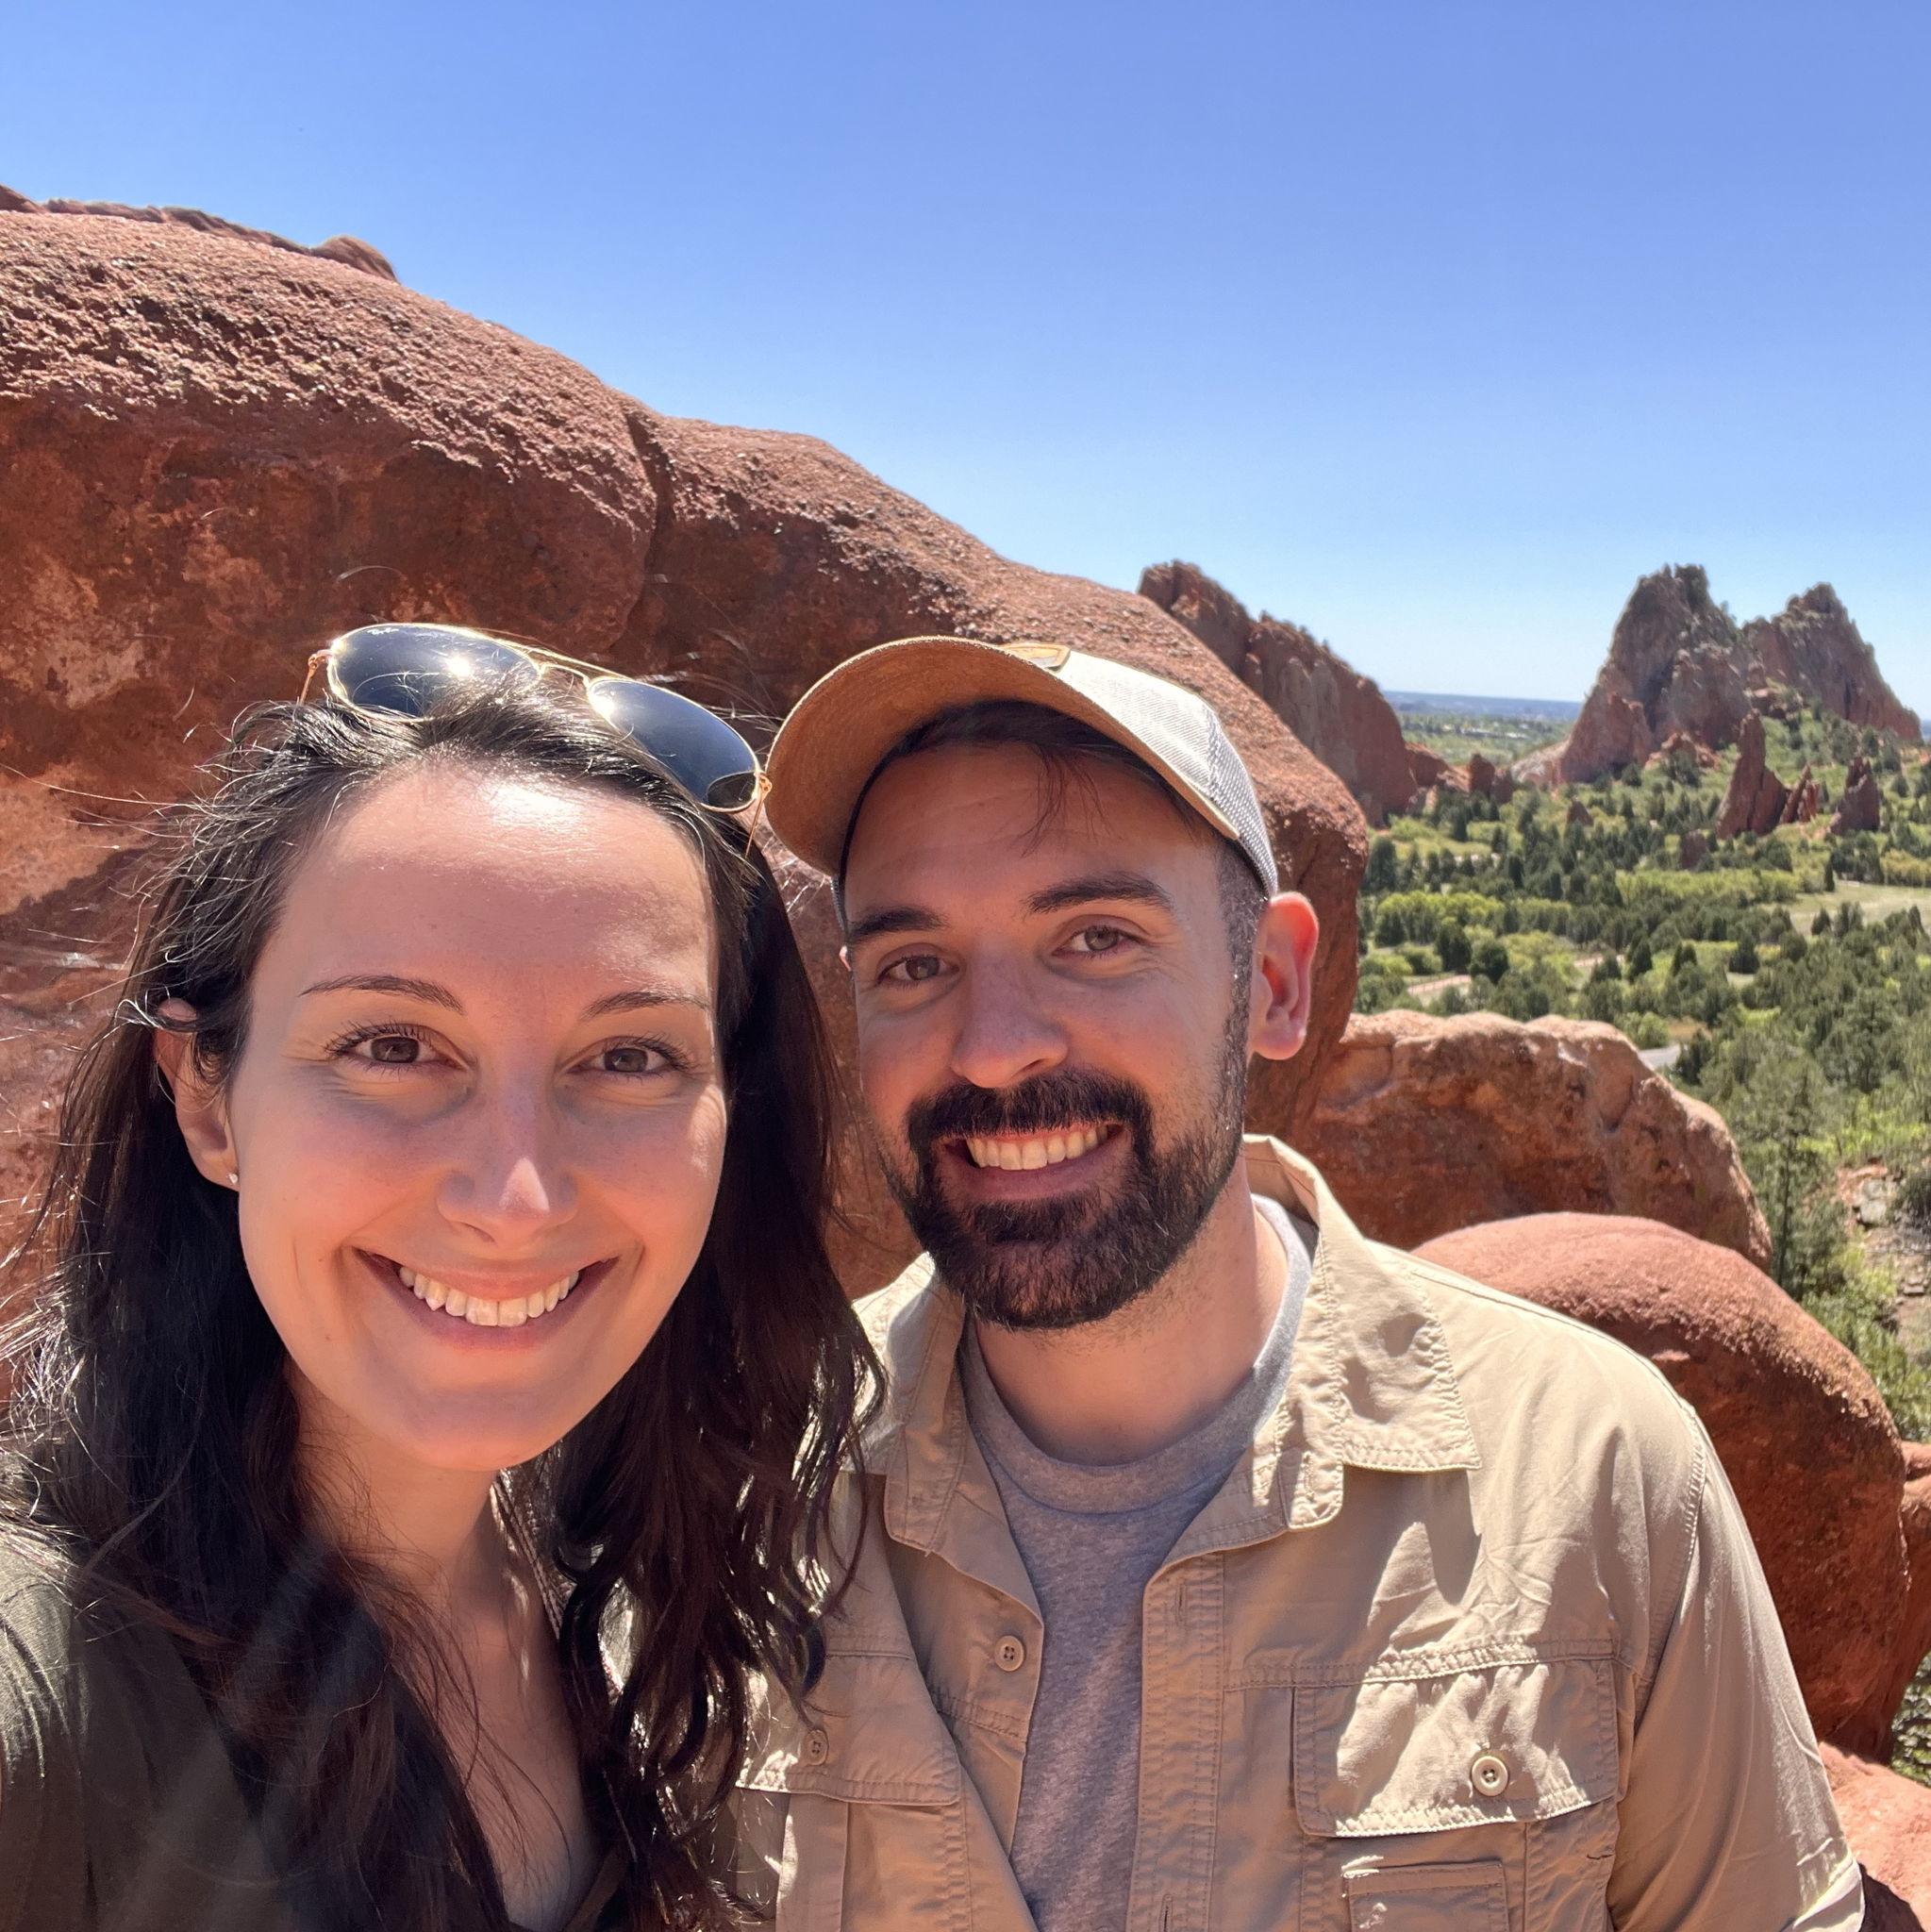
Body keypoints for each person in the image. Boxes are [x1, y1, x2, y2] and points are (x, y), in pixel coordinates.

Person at [741, 634, 1864, 1930]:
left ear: (1272, 985)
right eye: (914, 964)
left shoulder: (1597, 1475)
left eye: (1094, 937)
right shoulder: (752, 1481)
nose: (993, 1050)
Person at [0, 625, 875, 1932]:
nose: (514, 1197)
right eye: (395, 1044)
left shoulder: (612, 1591)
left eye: (630, 1058)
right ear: (208, 1103)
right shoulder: (45, 1673)